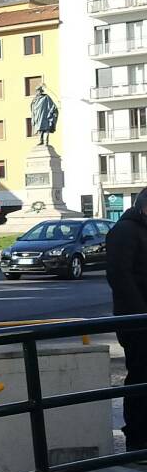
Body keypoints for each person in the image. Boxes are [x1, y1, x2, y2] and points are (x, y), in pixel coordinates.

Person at [105, 189, 147, 452]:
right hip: (138, 323)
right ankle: (137, 440)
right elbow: (120, 277)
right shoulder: (125, 231)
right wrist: (141, 316)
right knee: (141, 379)